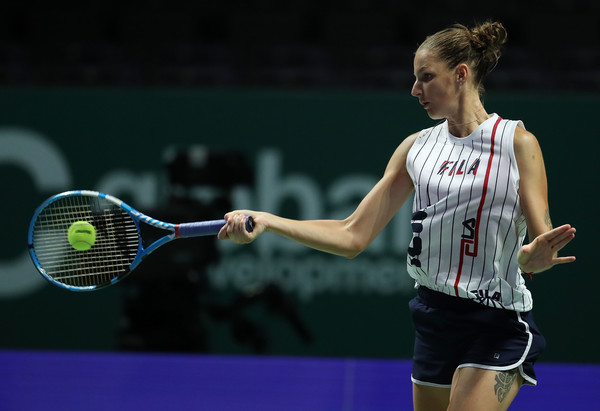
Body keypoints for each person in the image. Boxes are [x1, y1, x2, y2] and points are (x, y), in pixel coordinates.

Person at [217, 21, 576, 411]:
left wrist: (531, 259)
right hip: (434, 316)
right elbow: (351, 235)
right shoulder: (416, 149)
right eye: (415, 78)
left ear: (461, 74)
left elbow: (541, 246)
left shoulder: (517, 144)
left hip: (496, 321)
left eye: (426, 77)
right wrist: (268, 221)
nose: (415, 89)